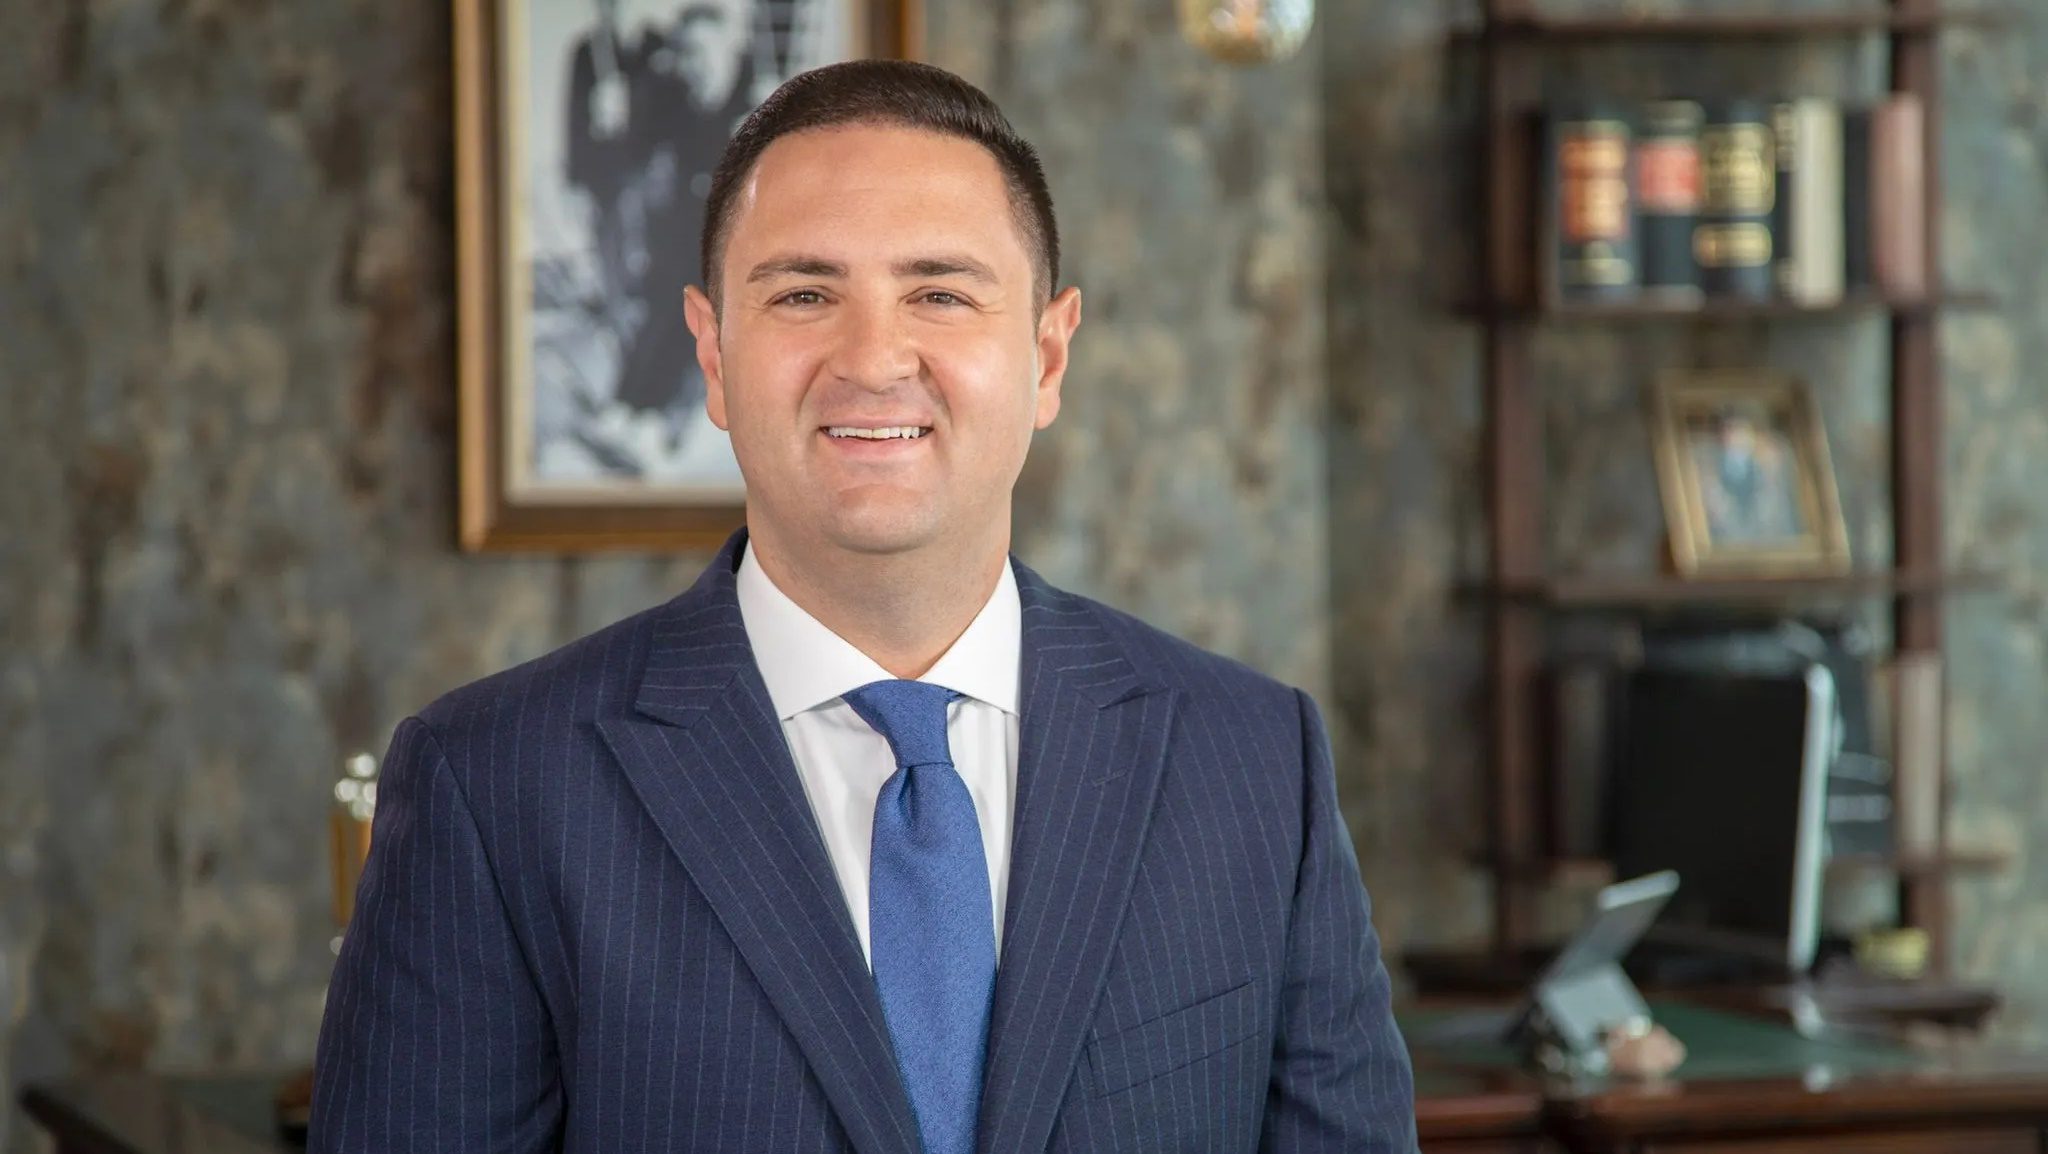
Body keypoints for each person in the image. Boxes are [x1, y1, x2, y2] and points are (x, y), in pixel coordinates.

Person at [310, 59, 1416, 1152]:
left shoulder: (1254, 760)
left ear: (1046, 355)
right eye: (803, 294)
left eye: (940, 293)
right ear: (712, 353)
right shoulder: (492, 785)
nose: (875, 358)